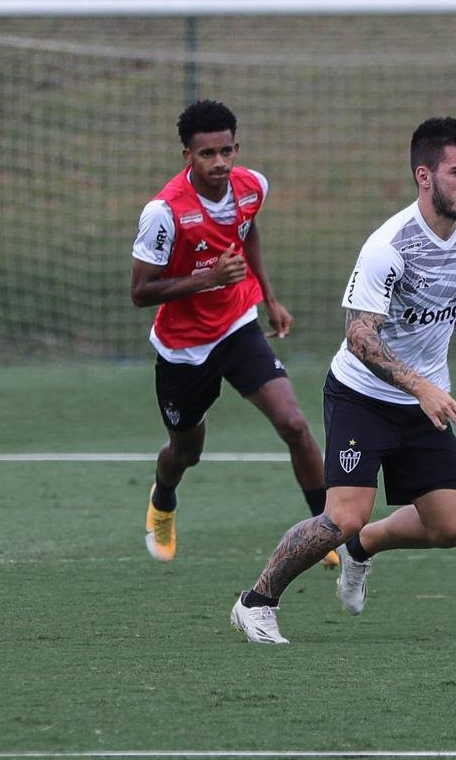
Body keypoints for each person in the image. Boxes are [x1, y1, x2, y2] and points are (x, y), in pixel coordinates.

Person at [230, 116, 456, 644]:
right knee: (341, 517)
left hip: (425, 397)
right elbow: (359, 335)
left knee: (452, 527)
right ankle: (256, 601)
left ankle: (362, 549)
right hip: (363, 395)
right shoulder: (389, 246)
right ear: (425, 176)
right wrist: (419, 386)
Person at [130, 99, 337, 569]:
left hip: (238, 326)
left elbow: (249, 231)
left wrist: (268, 296)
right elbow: (140, 292)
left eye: (227, 151)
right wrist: (208, 279)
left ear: (236, 147)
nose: (220, 163)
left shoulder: (251, 186)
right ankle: (163, 498)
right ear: (187, 156)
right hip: (183, 350)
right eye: (207, 154)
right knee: (187, 452)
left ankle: (324, 532)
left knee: (294, 424)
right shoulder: (163, 213)